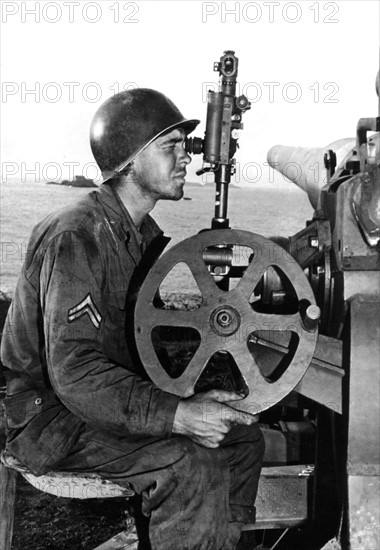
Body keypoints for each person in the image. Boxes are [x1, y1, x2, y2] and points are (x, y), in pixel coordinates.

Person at [1, 89, 264, 550]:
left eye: (185, 146)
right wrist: (179, 415)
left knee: (242, 439)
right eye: (170, 148)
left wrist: (189, 393)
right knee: (191, 464)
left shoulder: (133, 234)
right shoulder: (78, 236)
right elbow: (76, 372)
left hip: (92, 405)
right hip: (51, 420)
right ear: (129, 161)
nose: (187, 158)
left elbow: (134, 340)